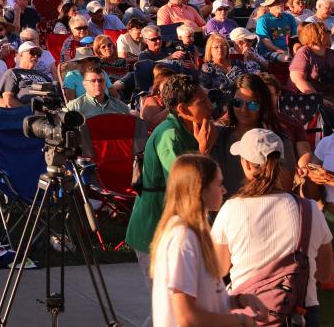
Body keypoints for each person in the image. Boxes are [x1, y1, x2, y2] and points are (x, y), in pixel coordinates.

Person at [212, 128, 334, 327]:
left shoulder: (232, 209)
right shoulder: (309, 209)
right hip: (299, 313)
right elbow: (326, 273)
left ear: (247, 164)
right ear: (280, 163)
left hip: (249, 312)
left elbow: (218, 268)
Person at [148, 154, 265, 327]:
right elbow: (187, 317)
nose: (224, 190)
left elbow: (207, 300)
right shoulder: (182, 238)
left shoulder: (195, 234)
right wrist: (239, 321)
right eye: (218, 184)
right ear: (201, 190)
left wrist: (240, 301)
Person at [126, 74, 216, 274]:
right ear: (183, 109)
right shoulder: (169, 135)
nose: (211, 106)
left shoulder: (194, 128)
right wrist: (203, 152)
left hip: (178, 231)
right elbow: (184, 186)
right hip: (154, 231)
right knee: (168, 301)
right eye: (203, 102)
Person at [65, 65, 131, 118]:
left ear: (105, 83)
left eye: (101, 80)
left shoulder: (120, 107)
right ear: (85, 84)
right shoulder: (73, 108)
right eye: (93, 81)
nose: (97, 84)